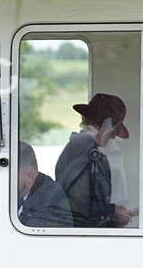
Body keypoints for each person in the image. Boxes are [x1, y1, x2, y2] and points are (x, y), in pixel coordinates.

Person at [54, 93, 134, 228]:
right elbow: (78, 201)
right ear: (95, 124)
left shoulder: (82, 148)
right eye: (112, 131)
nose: (113, 137)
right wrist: (112, 211)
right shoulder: (82, 148)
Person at [16, 141, 72, 227]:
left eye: (10, 176)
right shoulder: (21, 194)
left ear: (29, 176)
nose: (6, 184)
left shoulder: (49, 201)